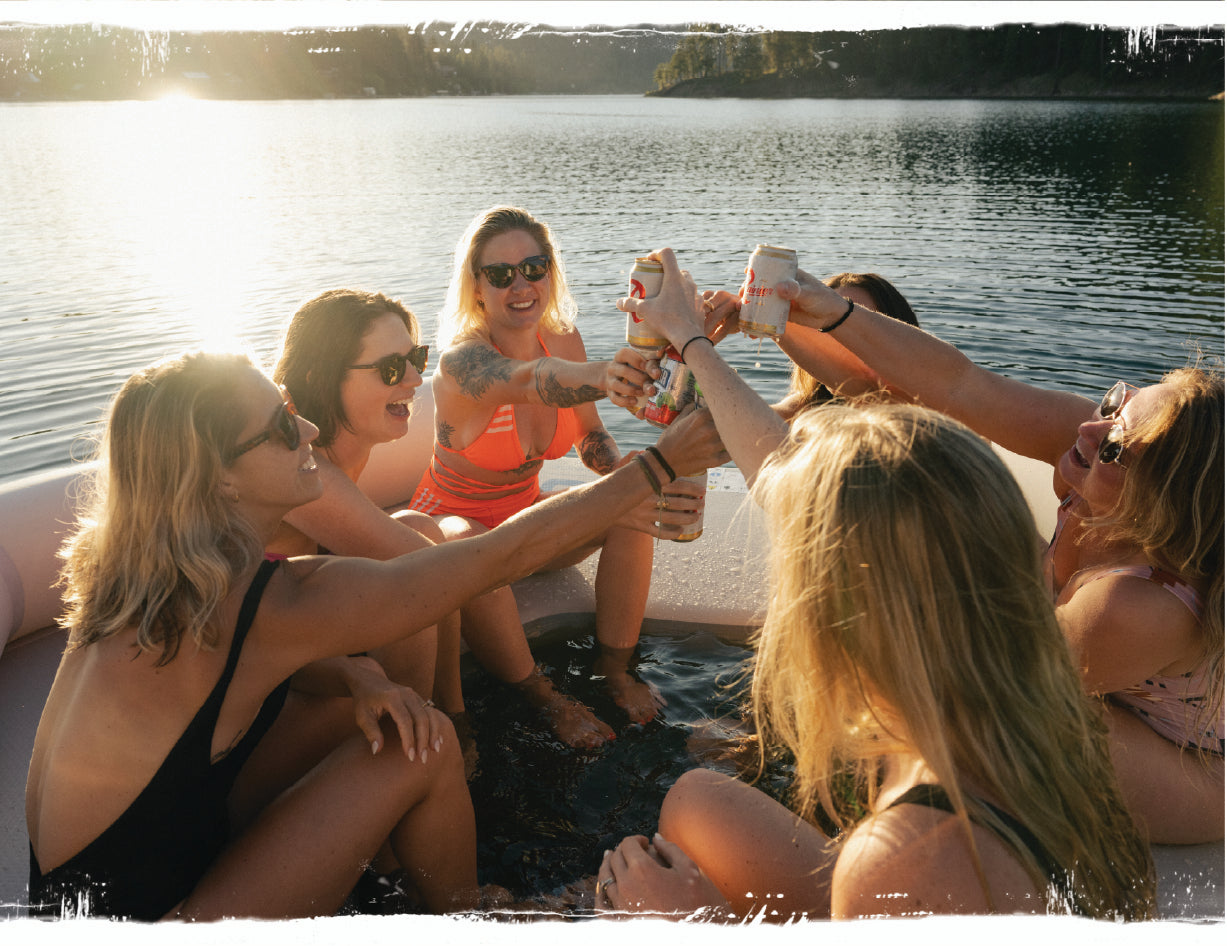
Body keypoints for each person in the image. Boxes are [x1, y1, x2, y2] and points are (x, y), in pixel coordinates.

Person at [25, 349, 724, 921]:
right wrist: (657, 465)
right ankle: (465, 917)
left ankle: (399, 877)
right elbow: (492, 561)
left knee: (397, 721)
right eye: (276, 428)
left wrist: (356, 677)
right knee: (424, 749)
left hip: (93, 893)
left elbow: (221, 681)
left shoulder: (149, 574)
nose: (304, 433)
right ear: (218, 481)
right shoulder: (257, 604)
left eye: (291, 411)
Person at [597, 249, 1156, 920]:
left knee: (664, 844)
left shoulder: (905, 855)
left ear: (841, 612)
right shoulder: (1041, 717)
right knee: (696, 798)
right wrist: (704, 341)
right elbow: (840, 443)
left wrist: (696, 921)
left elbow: (806, 467)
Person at [765, 266, 1224, 845]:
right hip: (1075, 654)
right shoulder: (1090, 457)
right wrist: (806, 311)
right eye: (1115, 403)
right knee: (939, 475)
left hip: (1190, 769)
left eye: (1113, 444)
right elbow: (958, 387)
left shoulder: (1139, 606)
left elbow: (979, 690)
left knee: (972, 720)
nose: (1087, 427)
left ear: (1158, 506)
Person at [410, 206, 691, 747]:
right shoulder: (462, 363)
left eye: (534, 268)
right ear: (476, 288)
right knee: (472, 545)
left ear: (550, 273)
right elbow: (528, 381)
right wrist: (608, 376)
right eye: (500, 274)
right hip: (449, 531)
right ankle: (544, 697)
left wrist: (617, 469)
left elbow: (589, 436)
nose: (521, 285)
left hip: (526, 521)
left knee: (629, 499)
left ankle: (615, 669)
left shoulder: (563, 339)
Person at [270, 289, 462, 721]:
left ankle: (446, 719)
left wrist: (458, 715)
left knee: (422, 529)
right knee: (410, 582)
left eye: (417, 358)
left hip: (302, 633)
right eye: (392, 368)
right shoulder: (298, 469)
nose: (414, 380)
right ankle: (415, 743)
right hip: (259, 683)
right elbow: (430, 574)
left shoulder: (341, 452)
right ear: (324, 377)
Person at [769, 272, 919, 418]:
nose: (841, 340)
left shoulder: (926, 413)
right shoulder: (808, 408)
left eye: (859, 328)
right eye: (825, 326)